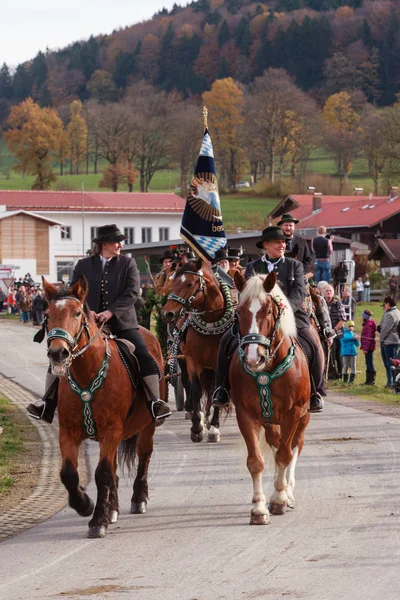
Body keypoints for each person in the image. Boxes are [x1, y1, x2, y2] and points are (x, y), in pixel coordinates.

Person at [27, 224, 171, 424]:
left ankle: (154, 403)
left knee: (144, 355)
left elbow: (132, 292)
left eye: (121, 241)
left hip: (122, 324)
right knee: (58, 355)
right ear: (104, 244)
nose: (120, 245)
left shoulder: (127, 264)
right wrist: (88, 311)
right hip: (87, 324)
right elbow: (73, 294)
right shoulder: (84, 265)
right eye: (116, 241)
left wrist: (110, 312)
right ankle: (47, 404)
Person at [212, 226, 326, 413]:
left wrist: (285, 308)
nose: (282, 245)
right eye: (277, 242)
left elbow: (299, 292)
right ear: (266, 245)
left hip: (291, 314)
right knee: (227, 340)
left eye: (283, 242)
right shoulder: (252, 267)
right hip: (257, 315)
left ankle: (315, 391)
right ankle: (222, 389)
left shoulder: (293, 265)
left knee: (312, 342)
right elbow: (246, 294)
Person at [324, 284, 346, 380]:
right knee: (328, 354)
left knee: (338, 355)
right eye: (327, 291)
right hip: (325, 333)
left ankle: (340, 374)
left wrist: (333, 330)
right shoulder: (322, 303)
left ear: (333, 293)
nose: (328, 292)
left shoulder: (338, 304)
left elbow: (342, 320)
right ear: (323, 293)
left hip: (337, 334)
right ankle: (330, 374)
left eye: (330, 291)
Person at [378, 295, 400, 388]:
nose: (384, 307)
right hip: (394, 340)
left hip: (389, 341)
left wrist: (381, 340)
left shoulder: (390, 314)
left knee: (390, 363)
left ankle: (391, 382)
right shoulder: (397, 312)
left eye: (385, 304)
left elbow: (385, 330)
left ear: (388, 304)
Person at [360, 309, 377, 385]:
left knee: (369, 363)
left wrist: (365, 348)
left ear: (364, 317)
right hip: (369, 347)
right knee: (368, 362)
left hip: (369, 348)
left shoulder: (368, 326)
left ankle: (371, 380)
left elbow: (367, 338)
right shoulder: (368, 324)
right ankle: (368, 380)